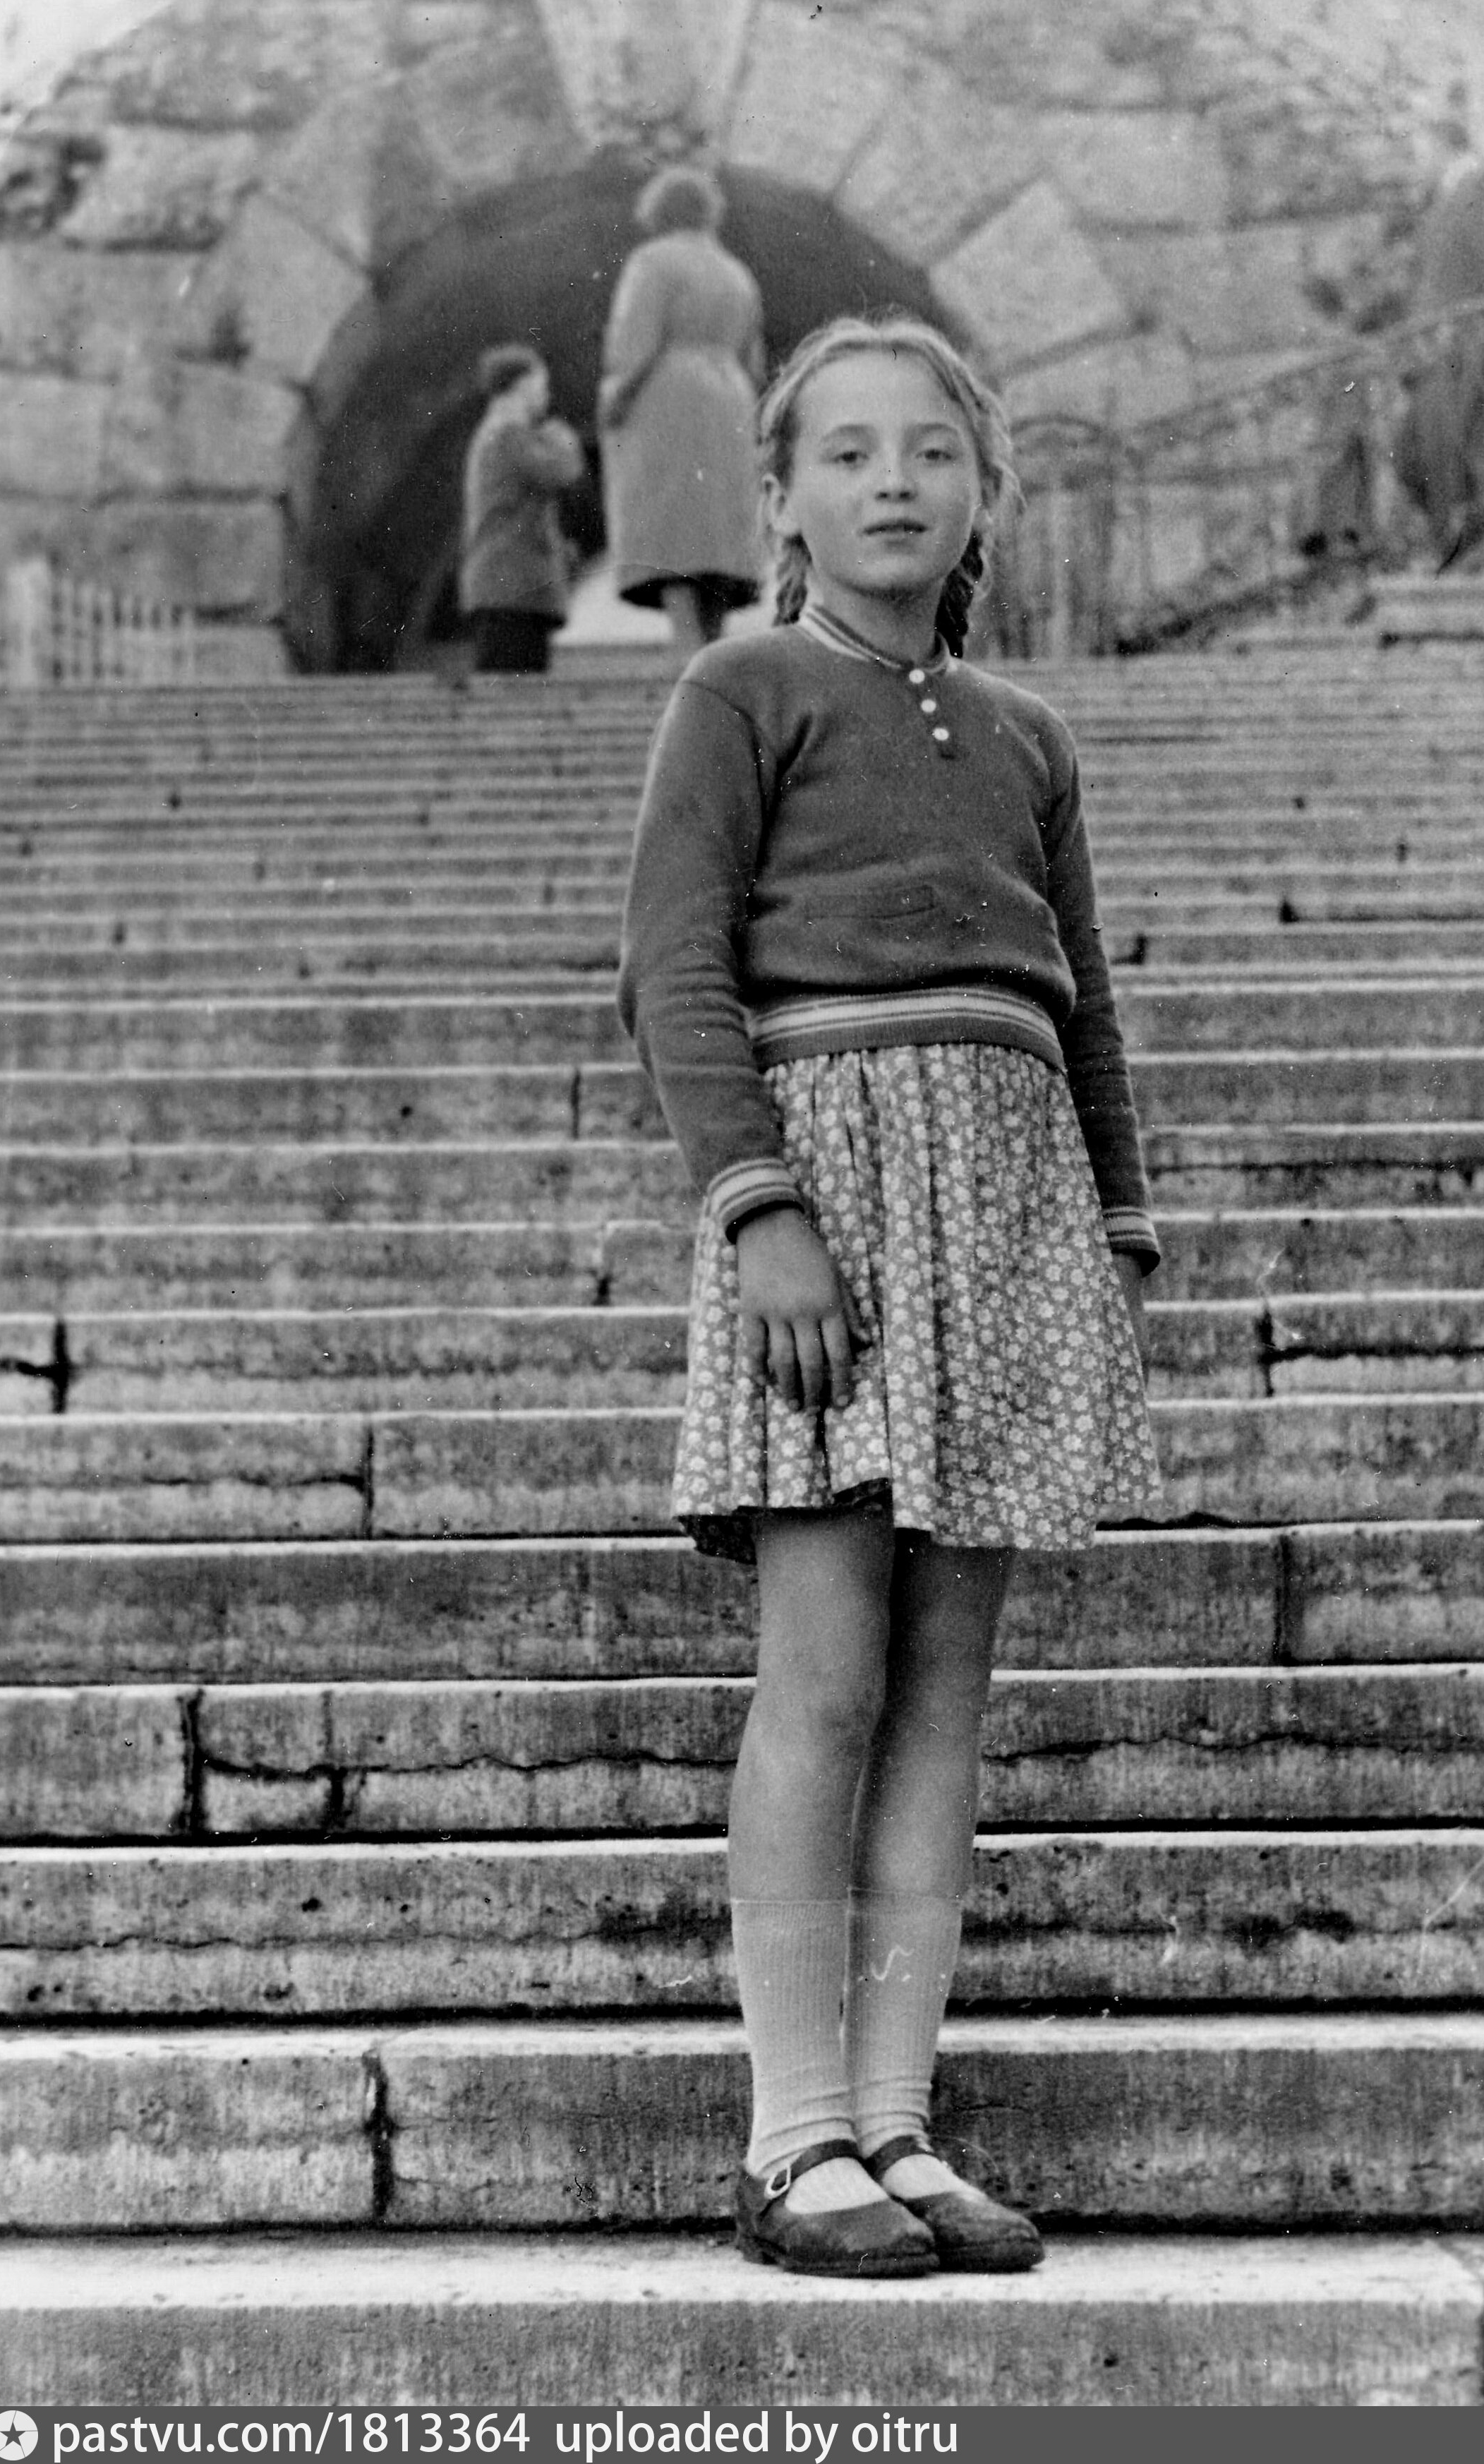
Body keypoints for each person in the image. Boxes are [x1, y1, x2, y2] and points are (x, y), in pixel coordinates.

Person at [617, 317, 1161, 2280]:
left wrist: (1111, 1229)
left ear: (980, 487)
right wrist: (760, 1208)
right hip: (828, 1219)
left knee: (942, 1695)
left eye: (930, 450)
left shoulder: (1026, 737)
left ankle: (897, 2117)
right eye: (845, 453)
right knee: (827, 1676)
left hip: (1003, 1223)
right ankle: (793, 2138)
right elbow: (673, 968)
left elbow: (1080, 1004)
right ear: (777, 497)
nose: (892, 483)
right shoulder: (741, 686)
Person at [598, 164, 765, 659]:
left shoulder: (652, 260)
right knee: (717, 541)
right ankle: (713, 654)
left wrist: (615, 396)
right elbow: (754, 359)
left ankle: (687, 652)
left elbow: (635, 340)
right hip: (731, 398)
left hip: (667, 396)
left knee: (670, 532)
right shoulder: (737, 272)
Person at [1393, 140, 1484, 567]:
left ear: (1442, 145)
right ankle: (1451, 543)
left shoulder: (1481, 190)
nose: (1415, 163)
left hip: (1465, 348)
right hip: (1434, 353)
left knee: (1455, 457)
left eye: (1419, 149)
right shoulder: (1440, 201)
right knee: (1416, 455)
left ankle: (1458, 547)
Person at [459, 344, 586, 674]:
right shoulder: (509, 434)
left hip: (506, 589)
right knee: (515, 686)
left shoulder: (496, 434)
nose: (546, 395)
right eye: (542, 385)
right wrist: (562, 436)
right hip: (512, 590)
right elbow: (563, 470)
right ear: (523, 385)